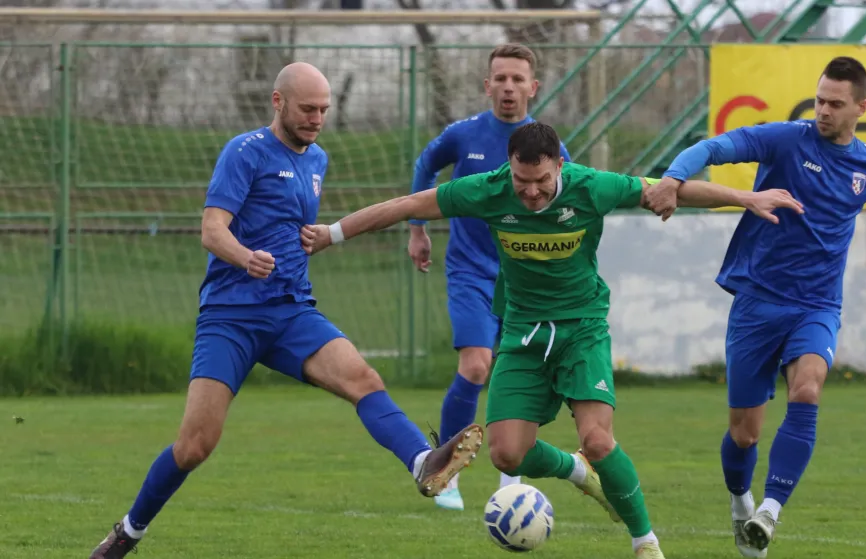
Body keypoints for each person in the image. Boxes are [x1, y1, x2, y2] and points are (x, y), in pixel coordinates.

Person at [300, 121, 804, 559]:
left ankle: (644, 539)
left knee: (599, 439)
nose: (532, 193)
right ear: (509, 169)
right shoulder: (488, 189)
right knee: (506, 456)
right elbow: (410, 203)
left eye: (541, 181)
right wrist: (333, 234)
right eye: (522, 181)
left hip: (582, 328)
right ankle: (574, 471)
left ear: (560, 165)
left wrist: (745, 197)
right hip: (522, 333)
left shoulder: (593, 187)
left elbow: (673, 189)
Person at [88, 62, 483, 559]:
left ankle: (423, 462)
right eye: (307, 109)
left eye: (324, 109)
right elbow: (213, 230)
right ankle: (128, 532)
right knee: (194, 446)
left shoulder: (318, 159)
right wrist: (244, 256)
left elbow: (290, 229)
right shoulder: (244, 152)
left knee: (363, 378)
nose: (317, 118)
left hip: (292, 311)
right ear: (278, 103)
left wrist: (316, 240)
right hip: (231, 317)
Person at [644, 56, 866, 557]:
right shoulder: (784, 139)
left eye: (835, 103)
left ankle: (770, 512)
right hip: (758, 301)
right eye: (819, 99)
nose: (822, 110)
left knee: (808, 388)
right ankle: (741, 501)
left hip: (817, 304)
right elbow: (715, 147)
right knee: (744, 434)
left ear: (861, 108)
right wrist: (673, 177)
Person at [407, 43, 570, 511]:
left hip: (523, 280)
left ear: (533, 87)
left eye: (518, 79)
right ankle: (446, 470)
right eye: (500, 78)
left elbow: (572, 198)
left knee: (515, 375)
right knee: (477, 366)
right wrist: (418, 230)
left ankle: (509, 484)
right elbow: (425, 167)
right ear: (487, 85)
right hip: (470, 271)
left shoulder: (549, 144)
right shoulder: (464, 135)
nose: (508, 87)